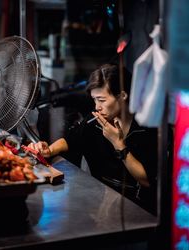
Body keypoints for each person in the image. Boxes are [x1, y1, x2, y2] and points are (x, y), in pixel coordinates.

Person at [28, 63, 161, 214]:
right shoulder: (94, 121)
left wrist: (118, 144)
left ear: (122, 96)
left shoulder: (146, 127)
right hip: (101, 199)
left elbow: (147, 180)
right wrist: (49, 150)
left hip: (138, 206)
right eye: (94, 100)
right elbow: (71, 140)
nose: (97, 106)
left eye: (102, 100)